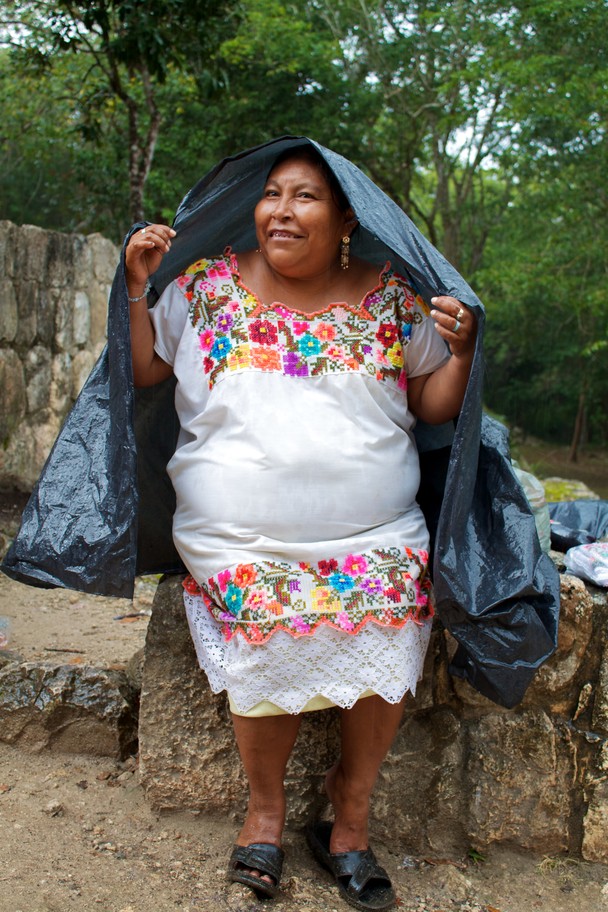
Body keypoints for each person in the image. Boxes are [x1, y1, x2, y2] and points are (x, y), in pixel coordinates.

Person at [124, 144, 476, 911]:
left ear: (347, 218)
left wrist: (462, 351)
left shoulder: (391, 299)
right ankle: (265, 815)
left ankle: (347, 821)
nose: (281, 210)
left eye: (305, 197)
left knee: (396, 605)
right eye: (272, 194)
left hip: (374, 533)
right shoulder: (205, 286)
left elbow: (432, 406)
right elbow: (146, 372)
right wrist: (136, 290)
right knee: (269, 611)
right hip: (239, 538)